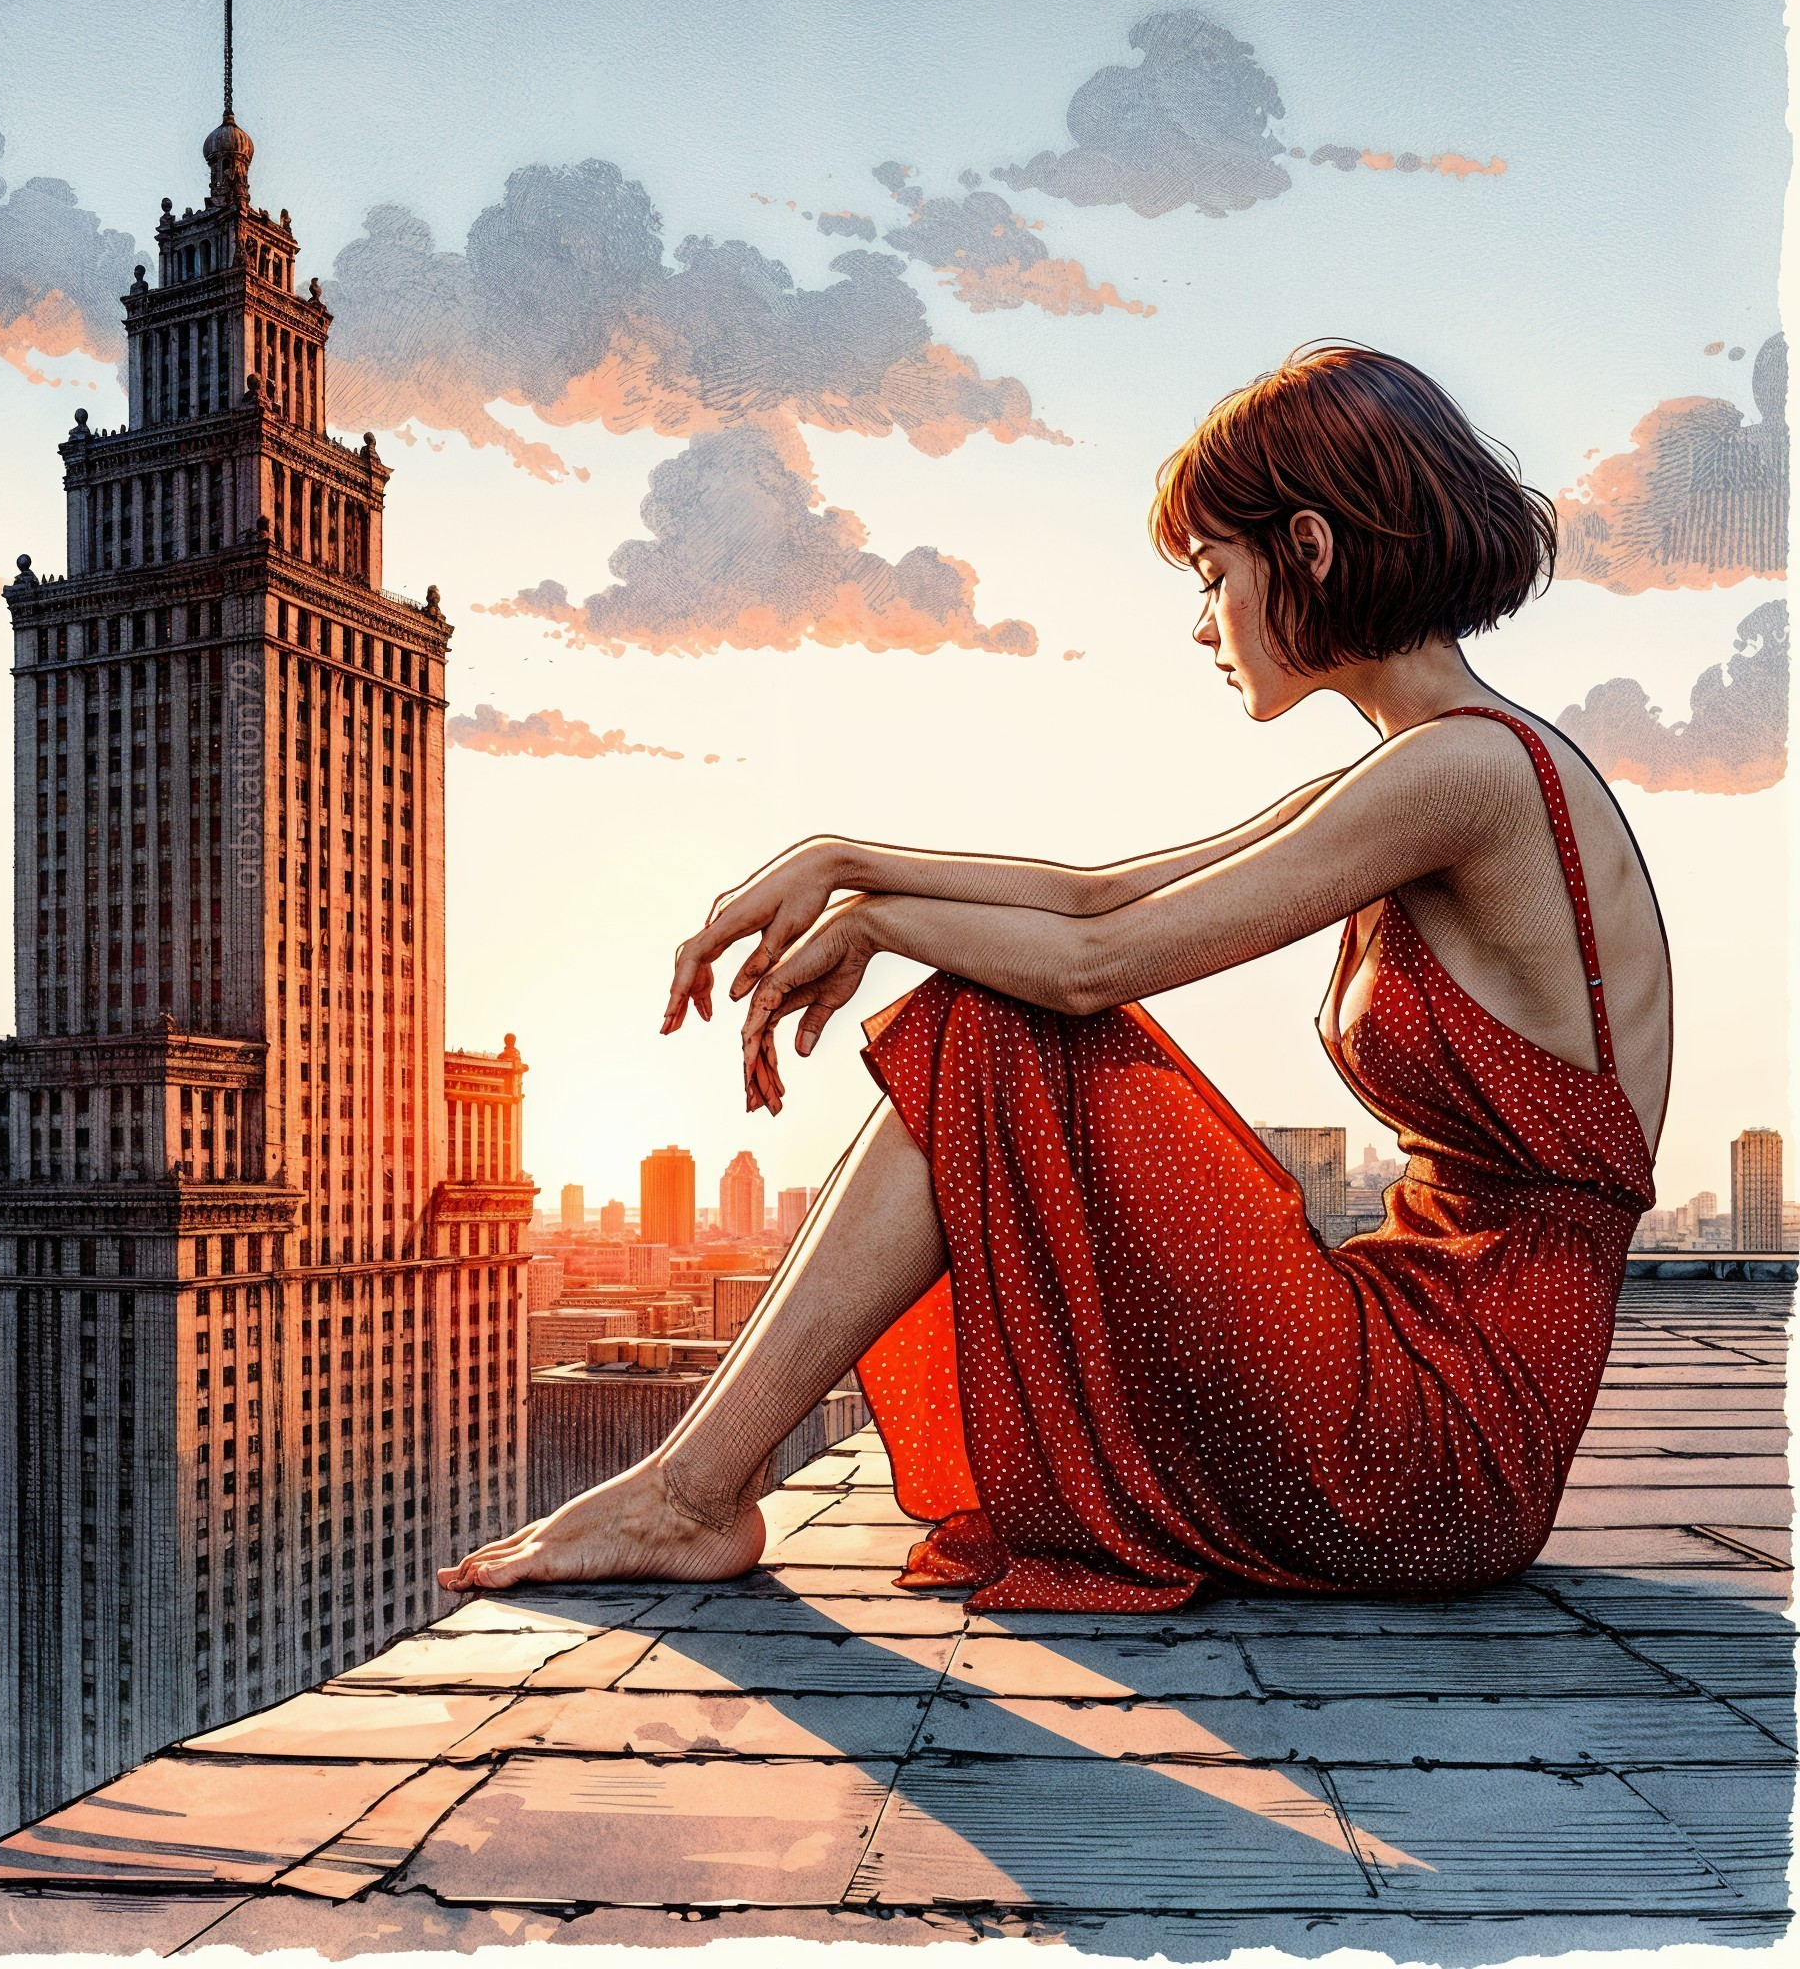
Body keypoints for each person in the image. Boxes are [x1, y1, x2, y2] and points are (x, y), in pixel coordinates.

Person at [440, 342, 1668, 1611]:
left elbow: (1090, 966)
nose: (1201, 621)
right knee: (987, 1006)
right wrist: (843, 863)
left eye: (1210, 575)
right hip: (1423, 1378)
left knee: (991, 1018)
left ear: (1305, 547)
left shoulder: (1455, 775)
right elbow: (1098, 894)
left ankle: (688, 1494)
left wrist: (878, 927)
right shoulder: (1439, 763)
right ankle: (686, 1488)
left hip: (1431, 1451)